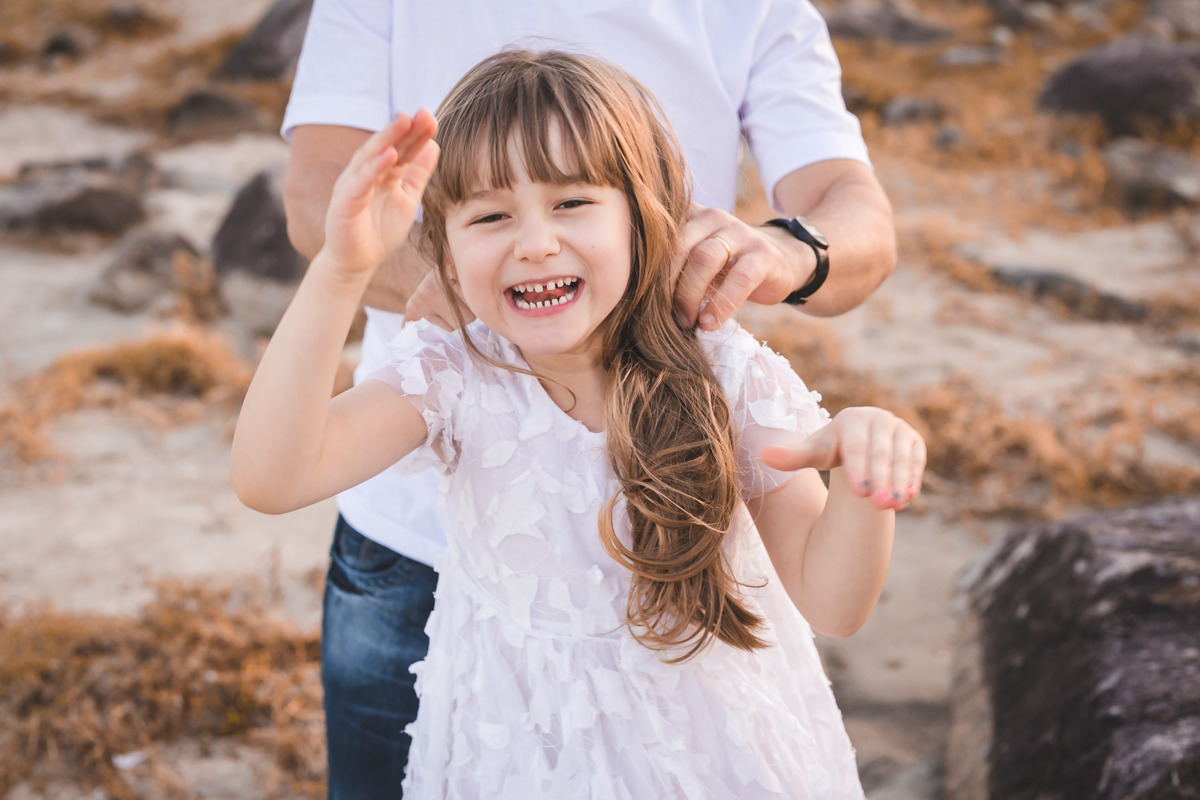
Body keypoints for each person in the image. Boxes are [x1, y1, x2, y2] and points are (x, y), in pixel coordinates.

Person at [237, 48, 923, 796]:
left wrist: (864, 484)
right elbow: (273, 479)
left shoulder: (725, 375)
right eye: (491, 216)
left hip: (713, 764)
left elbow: (834, 603)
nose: (535, 242)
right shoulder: (454, 372)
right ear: (447, 253)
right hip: (517, 759)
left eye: (572, 204)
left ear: (643, 215)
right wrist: (342, 269)